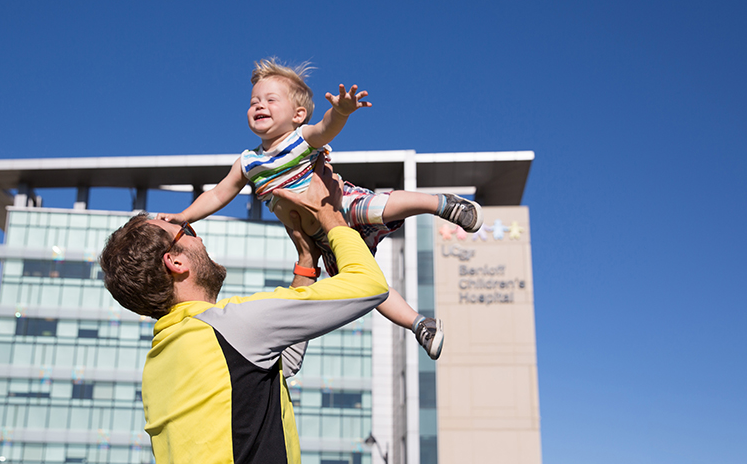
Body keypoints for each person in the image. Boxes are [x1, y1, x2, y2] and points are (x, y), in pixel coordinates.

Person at [157, 58, 484, 360]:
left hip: (336, 204)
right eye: (254, 101)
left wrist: (340, 112)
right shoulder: (248, 162)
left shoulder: (300, 139)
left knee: (378, 207)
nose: (259, 105)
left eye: (271, 100)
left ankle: (441, 204)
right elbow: (218, 194)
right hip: (321, 238)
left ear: (298, 115)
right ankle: (419, 325)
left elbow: (325, 128)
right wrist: (184, 216)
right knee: (368, 285)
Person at [101, 160, 390, 464]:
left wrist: (307, 261)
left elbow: (275, 367)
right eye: (186, 230)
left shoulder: (159, 364)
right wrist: (330, 215)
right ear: (175, 262)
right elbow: (369, 285)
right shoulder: (227, 326)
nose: (198, 237)